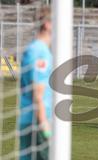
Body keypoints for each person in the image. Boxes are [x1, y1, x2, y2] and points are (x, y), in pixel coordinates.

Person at [19, 7, 52, 159]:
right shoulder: (40, 52)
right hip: (37, 122)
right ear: (47, 24)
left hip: (29, 120)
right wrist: (44, 124)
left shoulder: (33, 48)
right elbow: (37, 93)